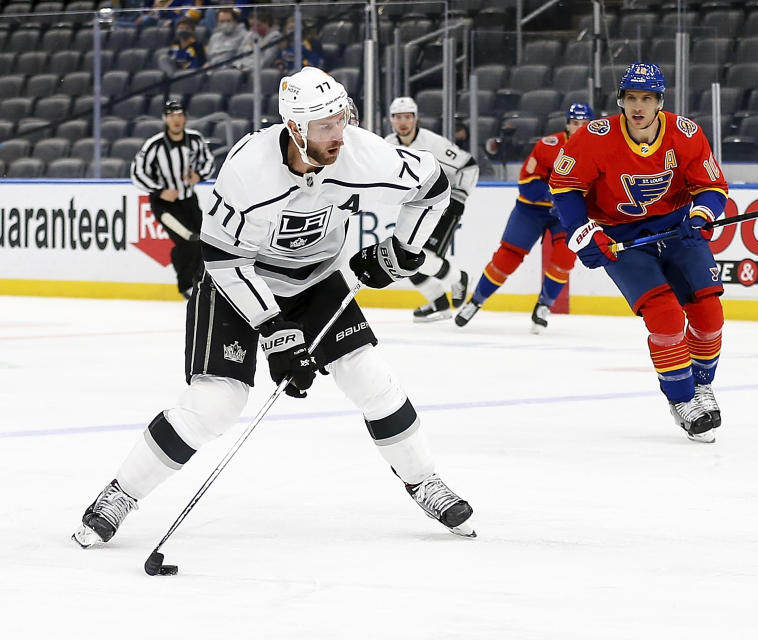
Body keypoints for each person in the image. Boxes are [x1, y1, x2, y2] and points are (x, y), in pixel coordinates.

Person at [72, 68, 475, 548]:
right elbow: (220, 257)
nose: (338, 134)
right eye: (324, 126)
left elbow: (431, 186)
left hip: (315, 279)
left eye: (341, 119)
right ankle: (120, 493)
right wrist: (275, 330)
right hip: (236, 283)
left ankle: (423, 479)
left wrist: (404, 251)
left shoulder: (362, 152)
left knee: (372, 377)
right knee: (216, 405)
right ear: (295, 129)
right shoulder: (249, 169)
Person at [548, 63, 728, 444]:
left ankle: (701, 386)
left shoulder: (685, 133)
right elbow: (565, 186)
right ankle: (681, 401)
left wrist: (701, 213)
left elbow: (712, 187)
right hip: (620, 235)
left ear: (659, 102)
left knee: (709, 315)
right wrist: (584, 232)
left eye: (646, 98)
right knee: (664, 317)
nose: (638, 106)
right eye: (631, 98)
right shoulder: (594, 137)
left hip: (679, 227)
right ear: (621, 101)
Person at [455, 103, 595, 333]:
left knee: (564, 258)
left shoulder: (599, 151)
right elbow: (526, 184)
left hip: (567, 215)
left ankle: (544, 306)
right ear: (567, 124)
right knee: (506, 257)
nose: (579, 128)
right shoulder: (547, 145)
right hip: (532, 210)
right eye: (575, 123)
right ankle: (475, 301)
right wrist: (554, 194)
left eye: (584, 124)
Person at [384, 96, 478, 322]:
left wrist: (459, 197)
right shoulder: (387, 144)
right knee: (403, 257)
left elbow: (468, 165)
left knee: (424, 256)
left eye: (408, 117)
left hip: (446, 203)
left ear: (416, 119)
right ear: (391, 120)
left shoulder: (433, 143)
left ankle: (459, 278)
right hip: (417, 206)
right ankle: (438, 303)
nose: (403, 122)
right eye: (398, 117)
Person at [130, 99, 214, 298]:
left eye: (179, 115)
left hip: (188, 201)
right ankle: (186, 285)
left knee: (202, 241)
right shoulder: (154, 145)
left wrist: (199, 176)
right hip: (164, 205)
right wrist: (160, 191)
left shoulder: (195, 139)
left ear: (185, 118)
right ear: (165, 119)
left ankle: (198, 282)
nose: (176, 120)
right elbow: (137, 173)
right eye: (171, 116)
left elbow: (208, 162)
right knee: (187, 239)